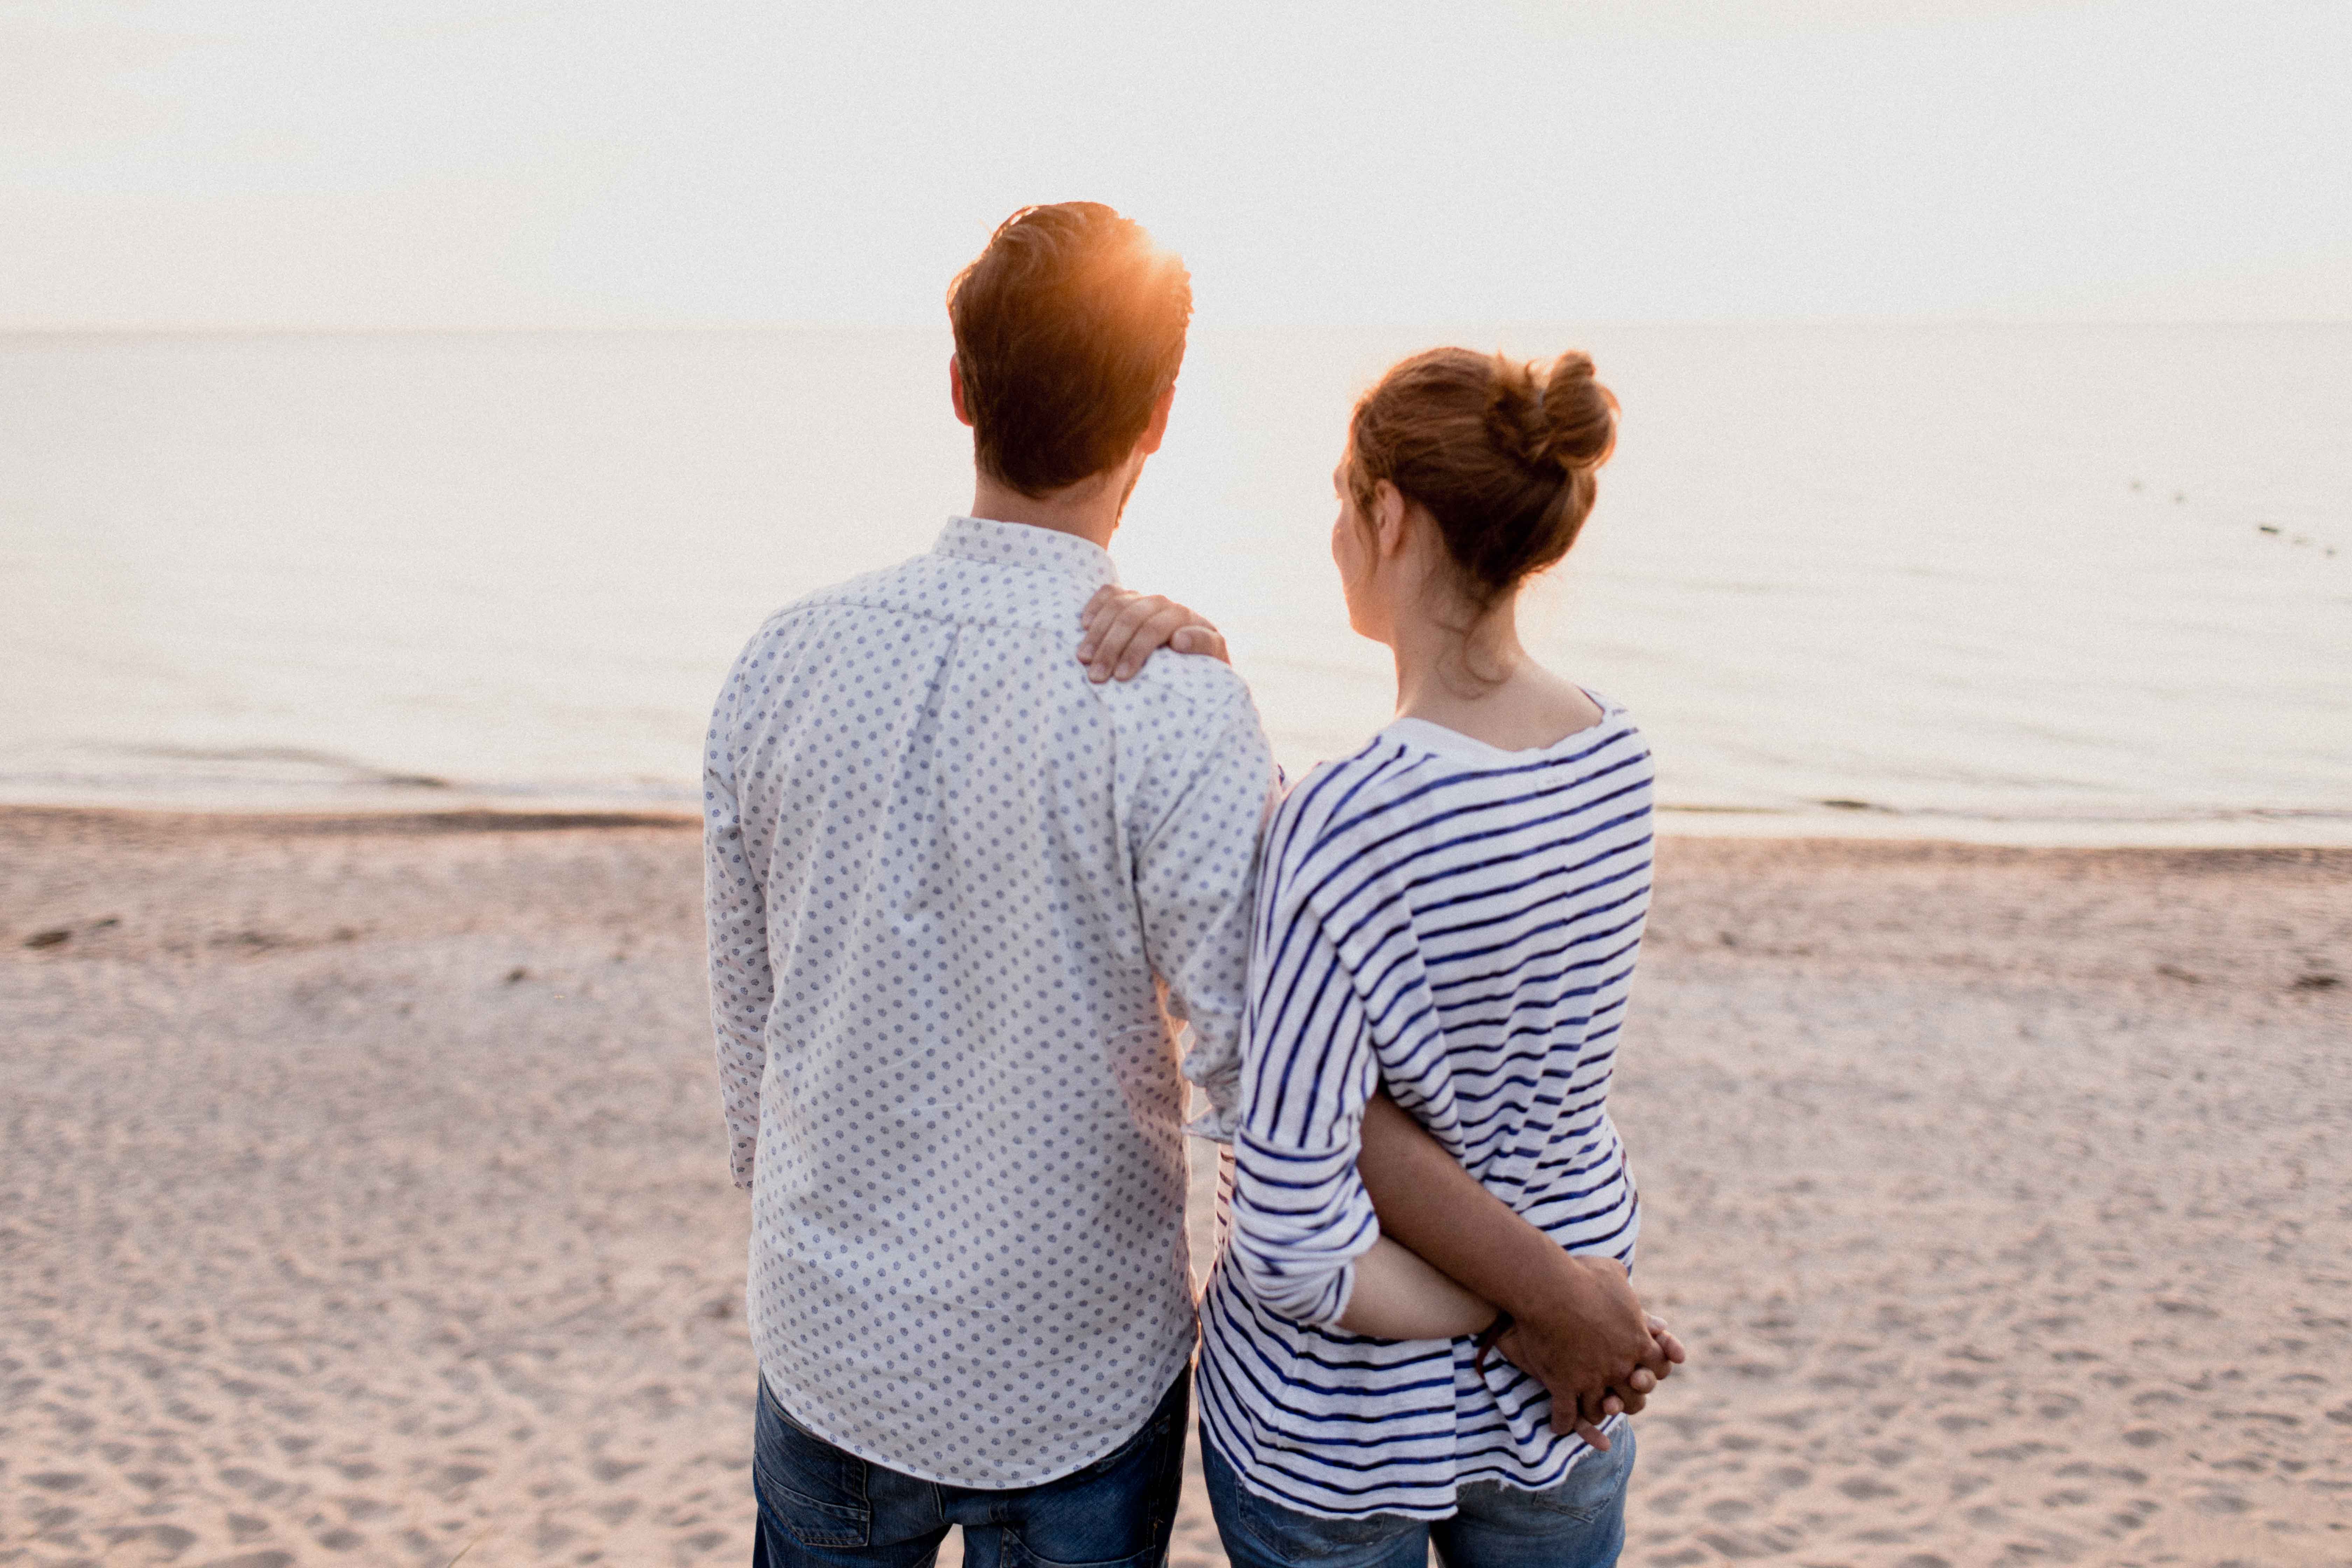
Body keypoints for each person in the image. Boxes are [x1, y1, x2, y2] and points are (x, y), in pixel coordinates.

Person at [705, 204, 1671, 1568]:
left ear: (960, 385)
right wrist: (1535, 1297)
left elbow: (752, 1055)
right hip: (1076, 1382)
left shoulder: (777, 664)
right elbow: (1259, 1068)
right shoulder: (1174, 710)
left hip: (836, 1353)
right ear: (1161, 416)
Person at [1172, 345, 1669, 1568]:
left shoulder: (1346, 823)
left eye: (1343, 499)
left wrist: (1522, 1307)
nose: (1333, 530)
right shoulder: (1620, 760)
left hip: (1339, 1434)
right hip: (1561, 1394)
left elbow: (1295, 1242)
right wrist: (1553, 1303)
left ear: (1387, 513)